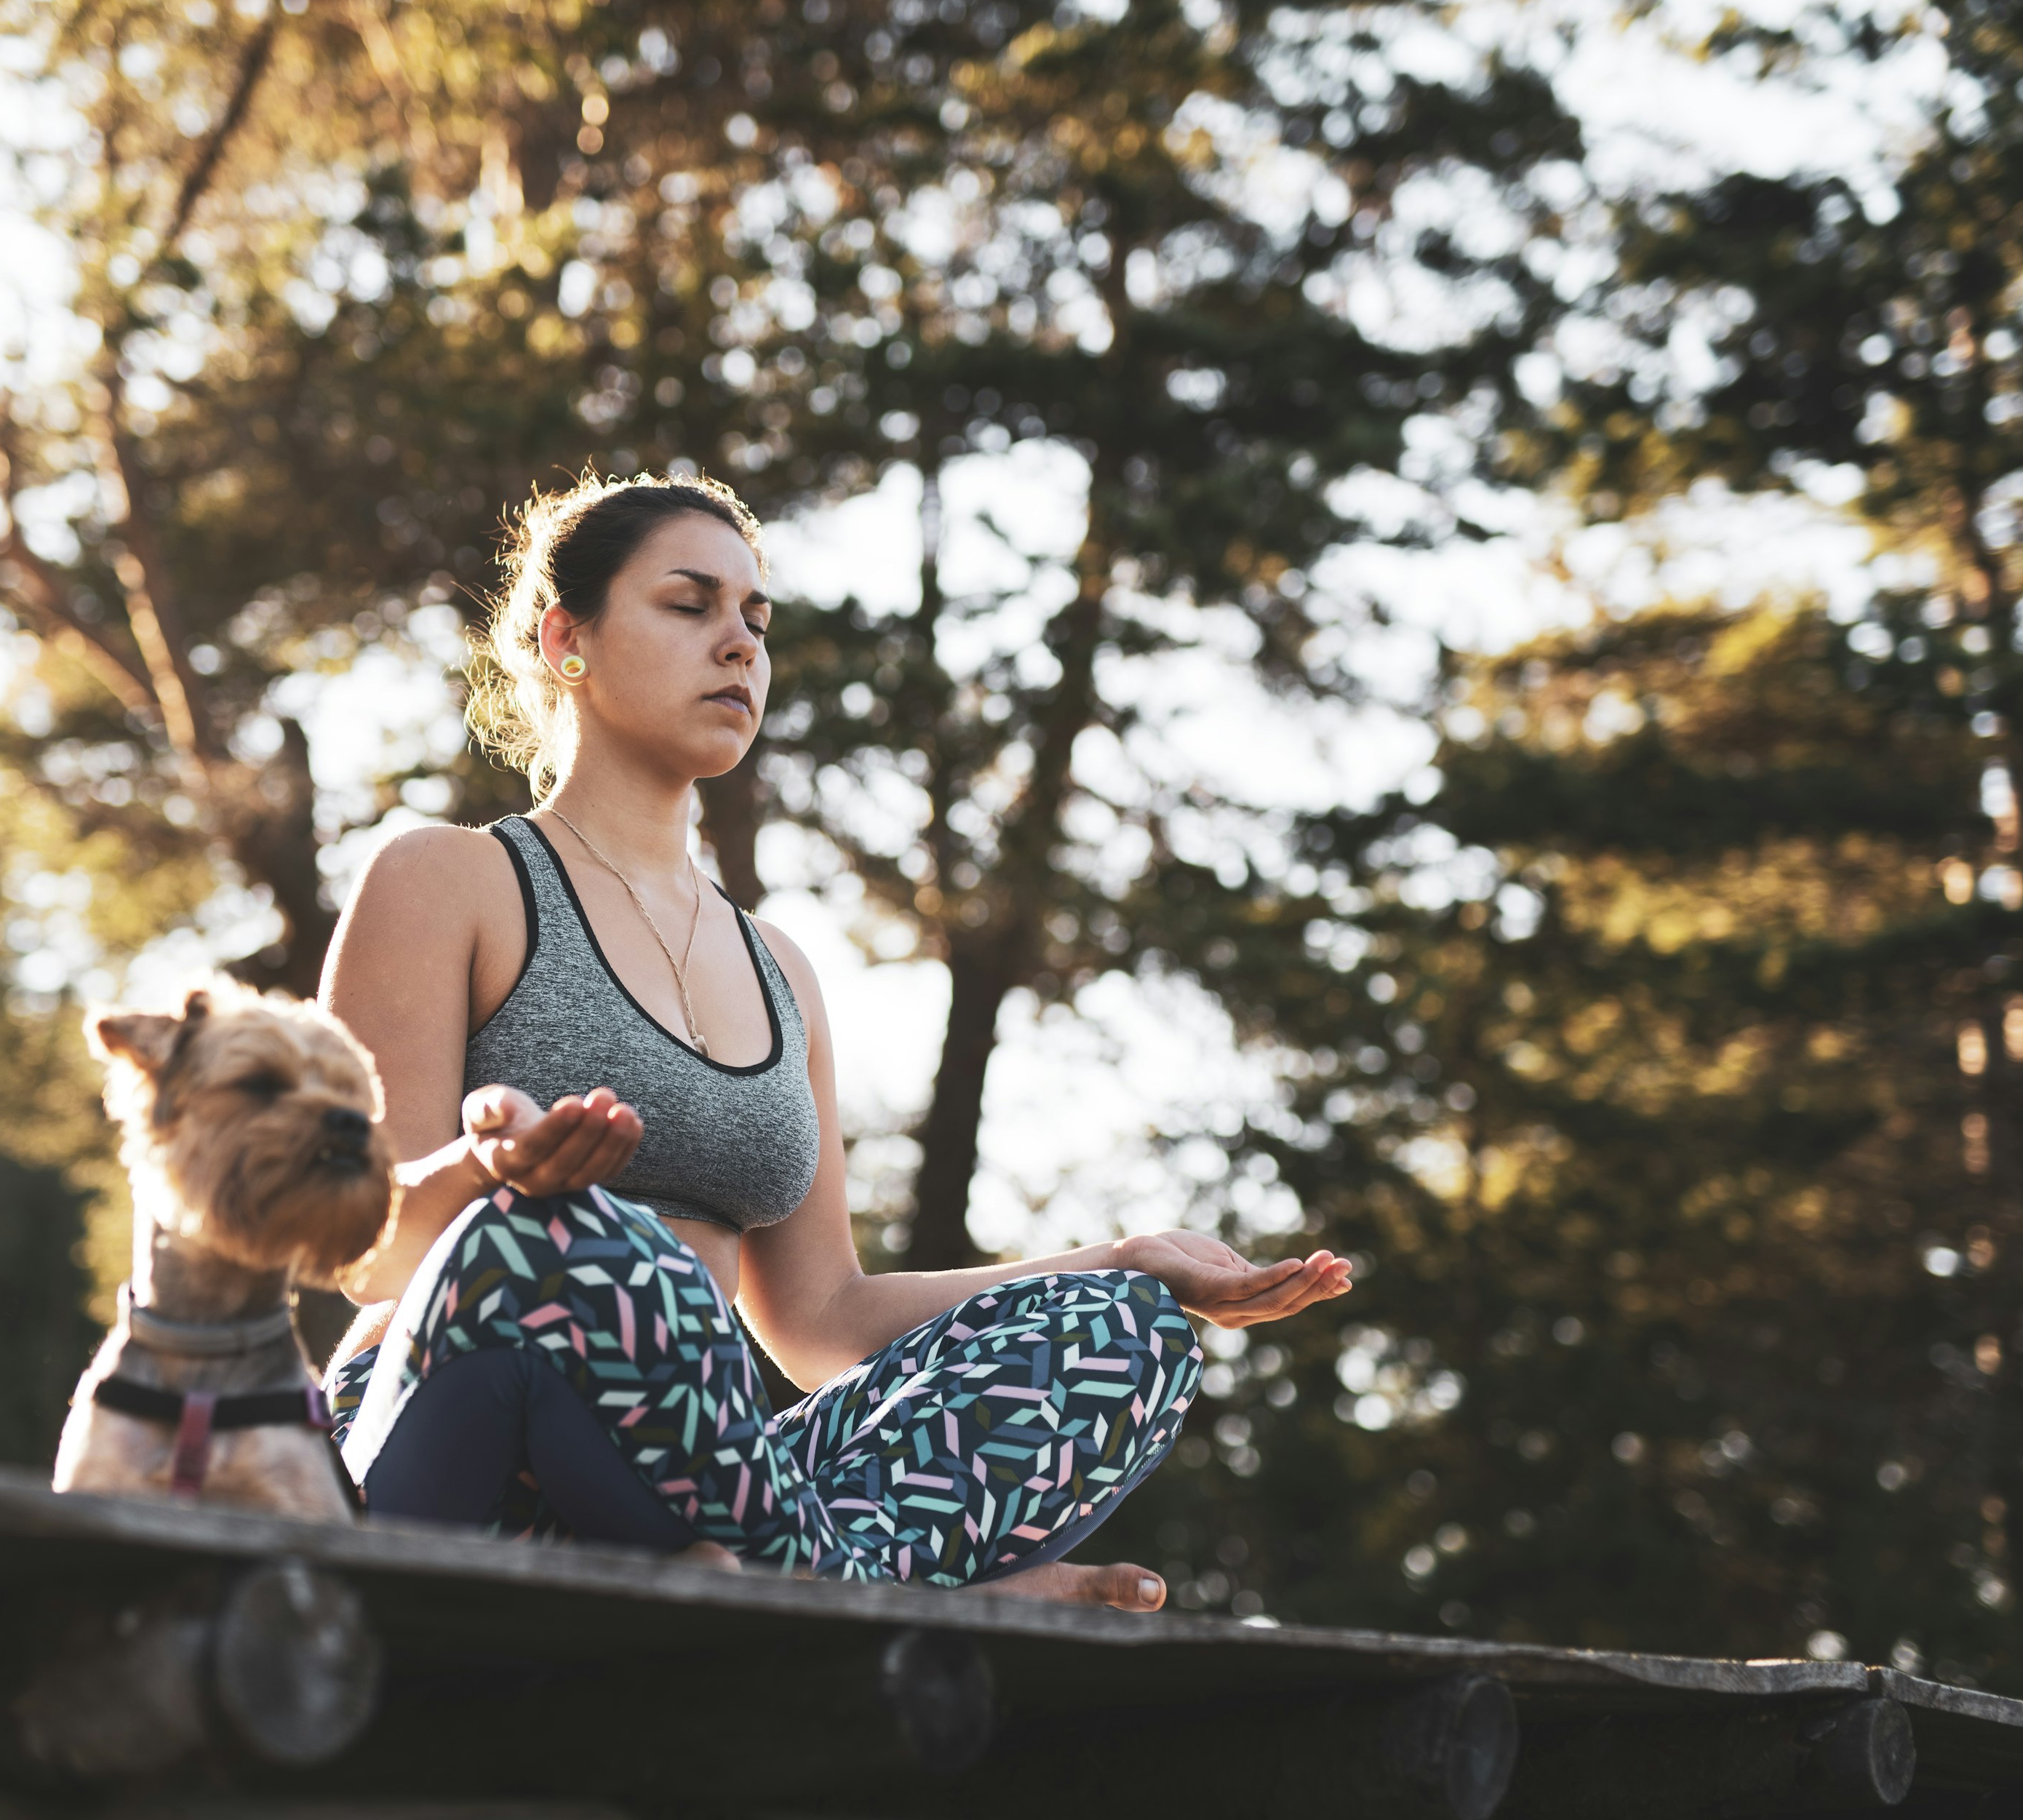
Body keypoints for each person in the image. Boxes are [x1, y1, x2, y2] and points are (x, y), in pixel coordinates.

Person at [318, 470, 1352, 1608]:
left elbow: (817, 1320)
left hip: (708, 1490)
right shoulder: (449, 879)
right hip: (460, 1440)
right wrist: (495, 1178)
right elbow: (357, 1247)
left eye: (757, 623)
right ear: (570, 638)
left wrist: (1116, 1259)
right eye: (689, 605)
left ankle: (790, 1579)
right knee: (572, 1239)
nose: (739, 647)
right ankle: (891, 1592)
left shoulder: (782, 973)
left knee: (1122, 1333)